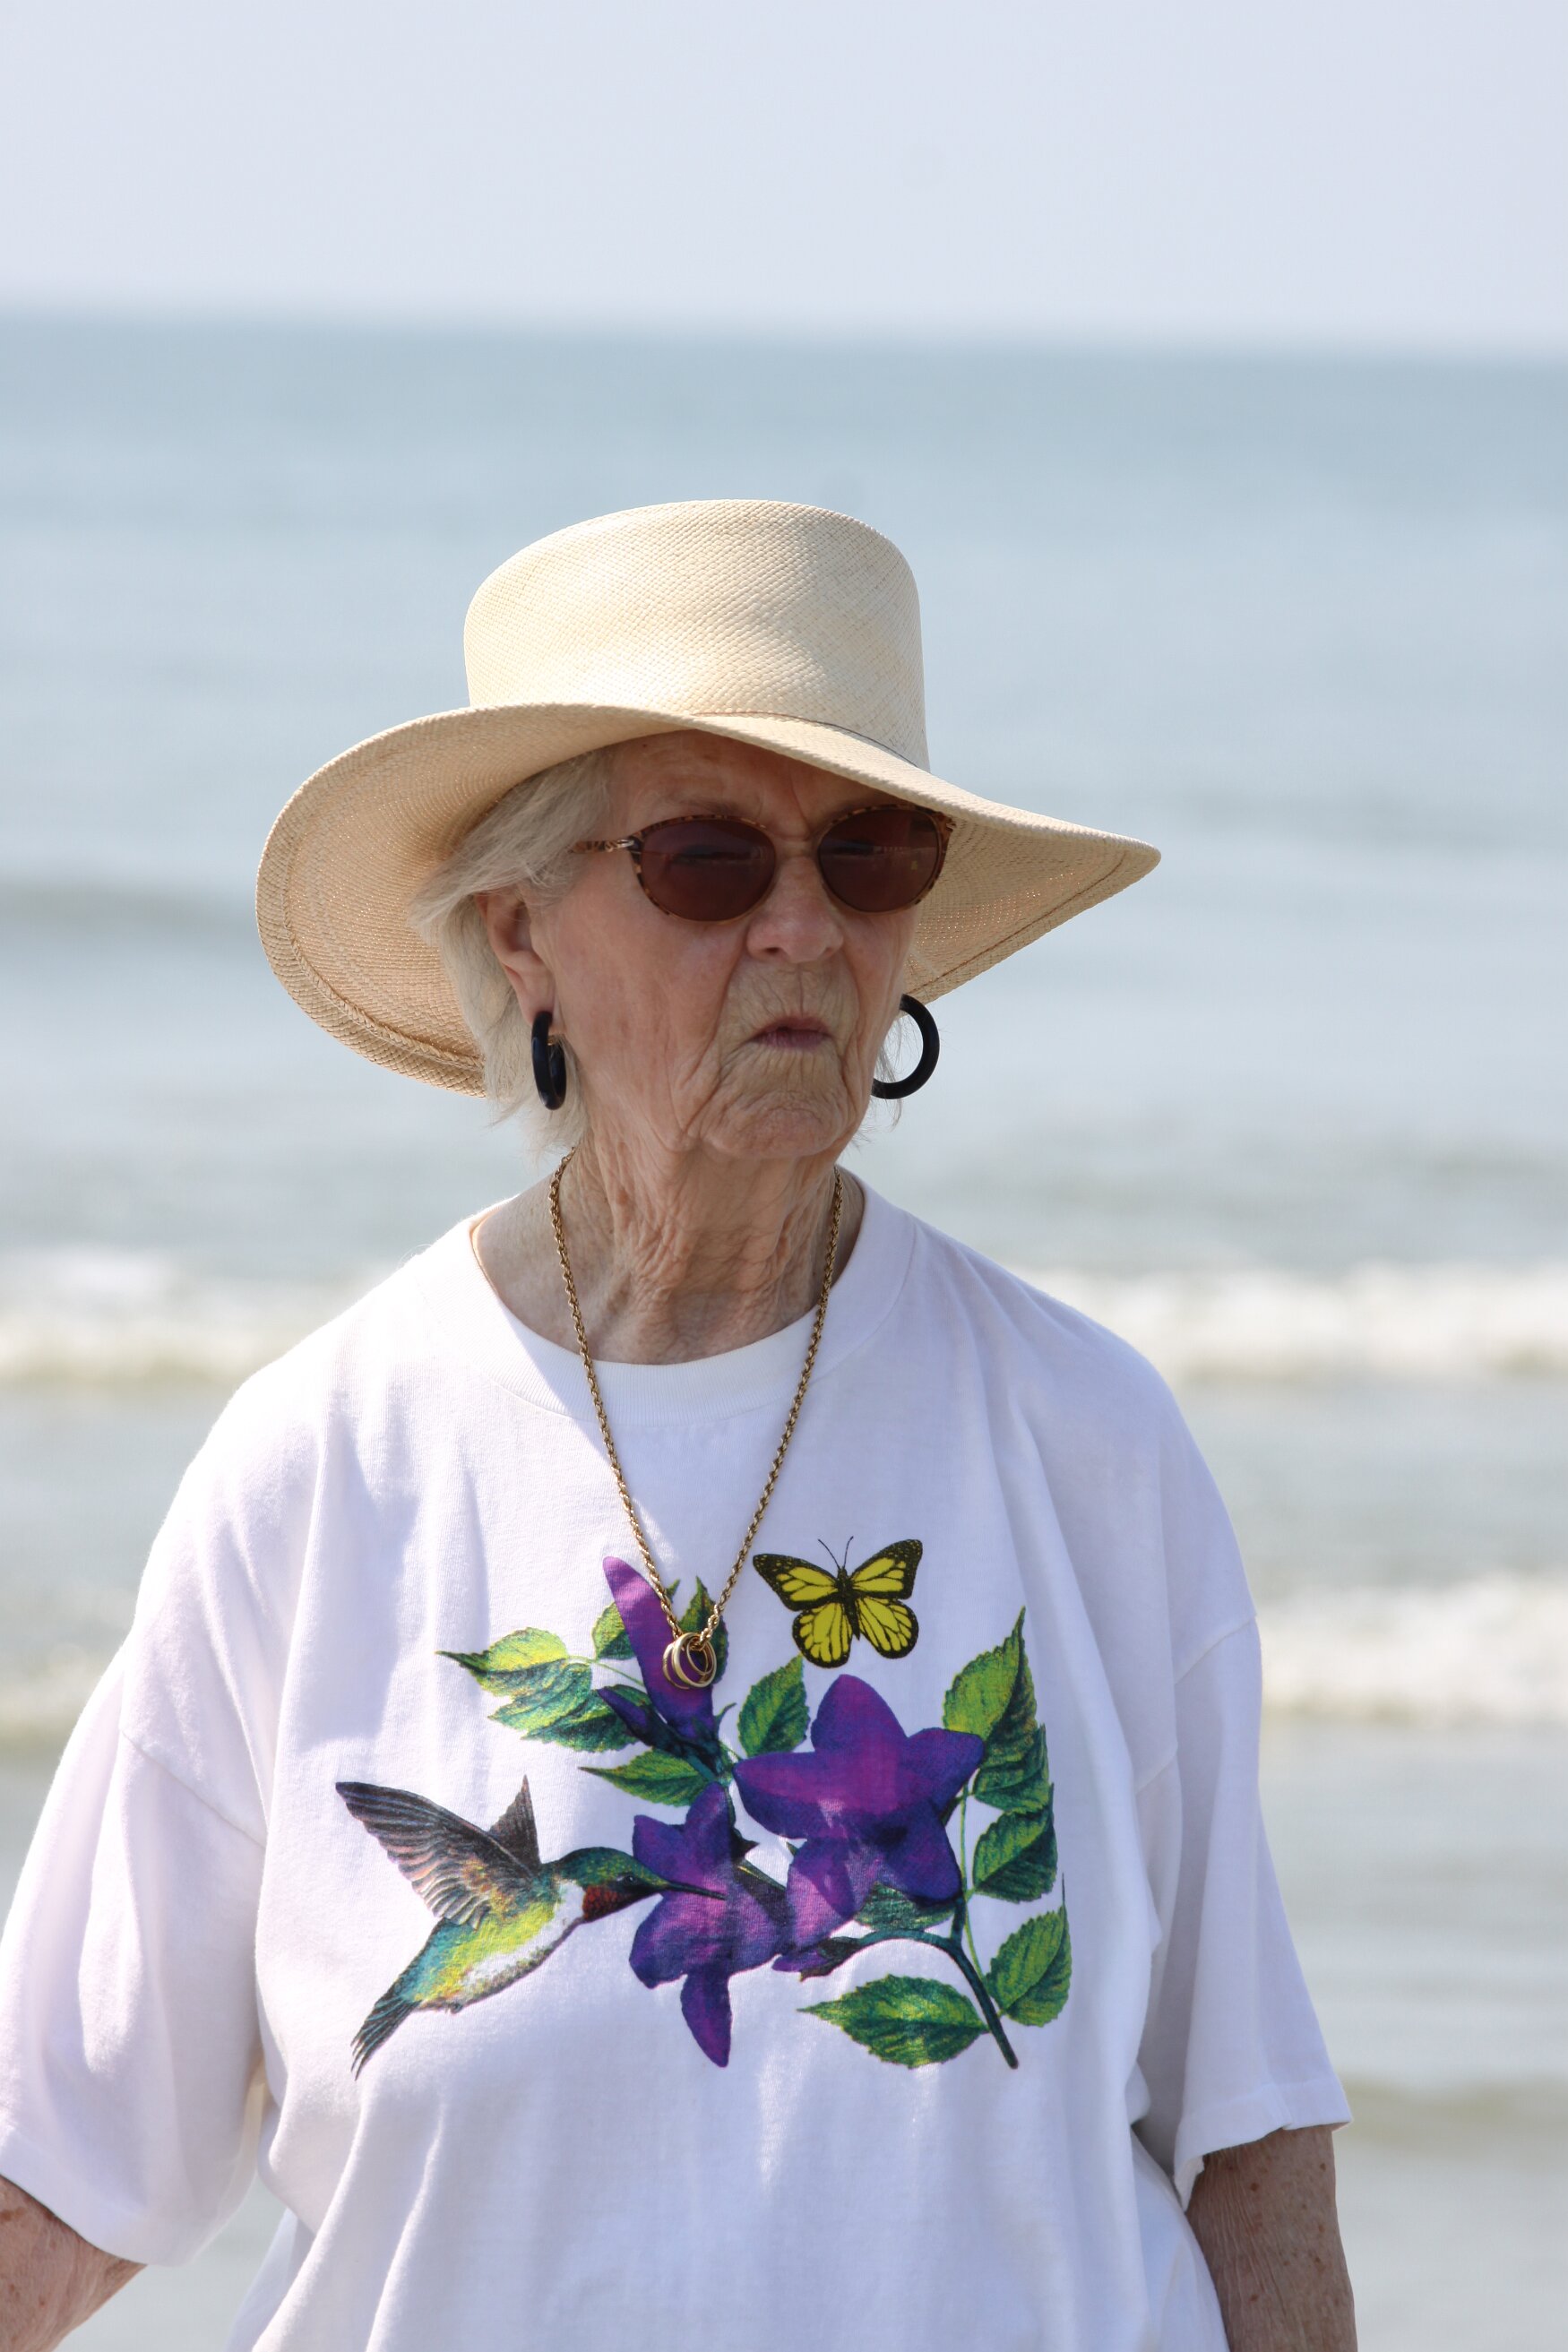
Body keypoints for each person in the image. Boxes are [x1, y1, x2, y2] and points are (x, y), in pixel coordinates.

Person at [0, 500, 1356, 2350]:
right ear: (521, 934)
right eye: (708, 862)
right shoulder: (323, 1458)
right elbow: (60, 2166)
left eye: (866, 853)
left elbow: (1247, 2139)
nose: (803, 926)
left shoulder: (1085, 1434)